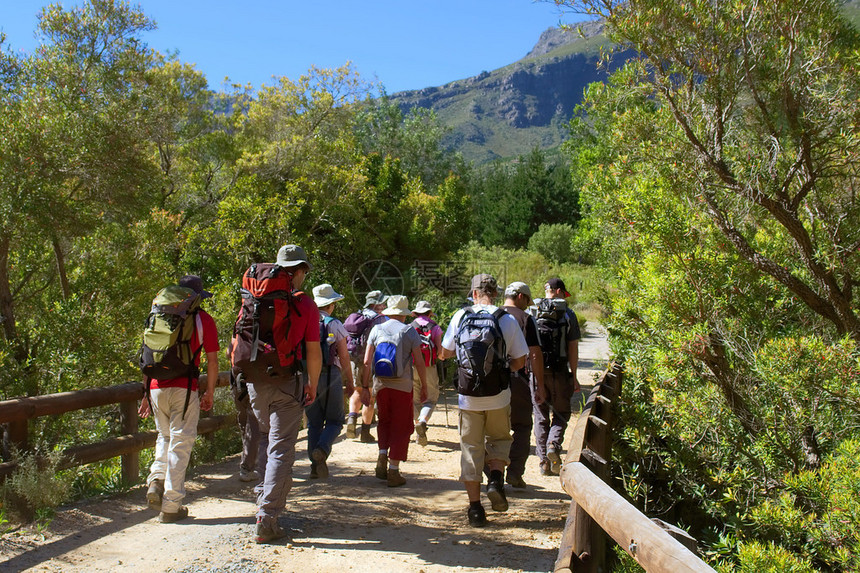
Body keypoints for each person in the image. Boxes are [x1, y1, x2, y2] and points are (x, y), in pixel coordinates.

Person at [239, 244, 321, 544]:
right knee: (281, 447)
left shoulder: (253, 298)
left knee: (263, 437)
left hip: (254, 380)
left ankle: (261, 496)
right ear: (298, 272)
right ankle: (268, 516)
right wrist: (312, 383)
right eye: (303, 272)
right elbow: (313, 351)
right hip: (287, 381)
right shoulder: (306, 305)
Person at [439, 274, 528, 527]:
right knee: (500, 439)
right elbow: (520, 360)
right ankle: (497, 480)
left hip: (468, 398)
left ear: (474, 293)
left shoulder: (460, 316)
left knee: (471, 448)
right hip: (498, 395)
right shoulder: (506, 319)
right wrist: (500, 368)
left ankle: (475, 509)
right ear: (495, 293)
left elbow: (445, 353)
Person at [140, 274, 219, 523]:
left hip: (155, 387)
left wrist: (144, 394)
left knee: (164, 437)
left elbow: (147, 355)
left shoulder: (158, 317)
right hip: (184, 387)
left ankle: (156, 479)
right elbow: (213, 361)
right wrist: (210, 392)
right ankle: (172, 506)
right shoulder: (202, 319)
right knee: (180, 443)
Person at [362, 295, 427, 487]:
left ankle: (382, 455)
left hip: (380, 385)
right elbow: (419, 362)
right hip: (402, 386)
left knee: (384, 422)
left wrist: (365, 386)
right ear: (405, 314)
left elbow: (366, 361)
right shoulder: (409, 332)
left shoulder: (377, 329)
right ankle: (394, 470)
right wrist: (423, 385)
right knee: (401, 426)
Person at [306, 283, 356, 479]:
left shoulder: (306, 320)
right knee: (335, 421)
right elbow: (344, 356)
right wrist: (350, 381)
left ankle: (314, 467)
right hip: (329, 374)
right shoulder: (334, 323)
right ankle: (322, 450)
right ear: (331, 304)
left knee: (314, 423)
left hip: (308, 376)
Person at [532, 277, 581, 476]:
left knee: (540, 415)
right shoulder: (568, 314)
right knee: (562, 413)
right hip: (560, 371)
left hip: (537, 372)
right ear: (559, 291)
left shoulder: (533, 312)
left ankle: (544, 461)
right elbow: (573, 347)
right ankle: (554, 444)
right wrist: (574, 375)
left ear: (547, 290)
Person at [500, 282, 546, 489]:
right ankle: (515, 473)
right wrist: (540, 386)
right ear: (520, 296)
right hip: (517, 379)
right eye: (527, 299)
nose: (528, 304)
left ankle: (493, 473)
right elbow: (534, 354)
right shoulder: (526, 319)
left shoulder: (492, 314)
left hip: (491, 381)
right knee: (522, 426)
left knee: (493, 428)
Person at [345, 290, 388, 443]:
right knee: (369, 396)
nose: (384, 305)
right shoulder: (380, 319)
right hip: (370, 361)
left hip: (353, 360)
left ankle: (351, 419)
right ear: (375, 304)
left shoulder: (357, 316)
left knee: (357, 391)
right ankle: (365, 432)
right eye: (382, 302)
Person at [409, 300, 443, 446]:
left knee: (415, 401)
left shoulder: (409, 327)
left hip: (411, 367)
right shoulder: (435, 327)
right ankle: (423, 421)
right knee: (430, 399)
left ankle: (418, 434)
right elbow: (441, 353)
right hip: (429, 367)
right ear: (430, 313)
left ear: (415, 313)